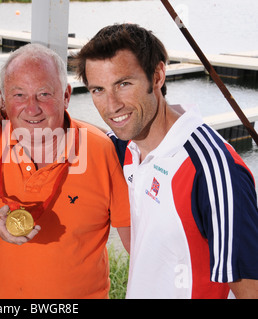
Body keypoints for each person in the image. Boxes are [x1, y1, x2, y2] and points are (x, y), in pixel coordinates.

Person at [70, 23, 258, 298]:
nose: (111, 106)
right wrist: (10, 113)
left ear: (157, 76)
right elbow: (84, 135)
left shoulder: (213, 171)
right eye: (98, 90)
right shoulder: (125, 147)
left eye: (123, 84)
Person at [0, 43, 131, 299]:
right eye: (19, 95)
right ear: (3, 99)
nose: (32, 108)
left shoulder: (101, 149)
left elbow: (140, 246)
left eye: (44, 94)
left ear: (66, 95)